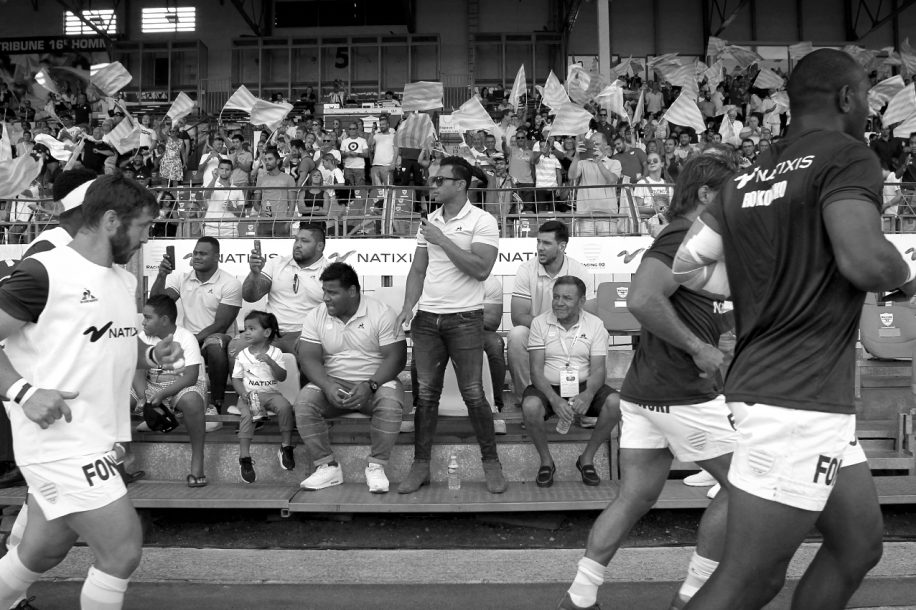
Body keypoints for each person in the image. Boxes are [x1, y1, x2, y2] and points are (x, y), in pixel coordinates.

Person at [672, 49, 908, 610]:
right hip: (796, 400)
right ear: (848, 98)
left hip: (792, 396)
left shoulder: (747, 174)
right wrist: (907, 277)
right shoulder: (849, 155)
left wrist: (762, 279)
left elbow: (687, 261)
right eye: (866, 100)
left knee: (858, 546)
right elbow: (866, 262)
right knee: (751, 580)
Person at [558, 155, 739, 610]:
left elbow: (692, 304)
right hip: (681, 391)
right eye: (729, 192)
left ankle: (580, 596)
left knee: (634, 497)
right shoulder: (684, 235)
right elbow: (641, 299)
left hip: (645, 392)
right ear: (705, 194)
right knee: (745, 489)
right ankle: (694, 596)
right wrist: (699, 348)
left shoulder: (694, 240)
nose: (737, 201)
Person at [0, 174, 182, 610]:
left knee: (41, 552)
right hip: (59, 442)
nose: (145, 238)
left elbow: (107, 344)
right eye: (142, 227)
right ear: (111, 220)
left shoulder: (122, 280)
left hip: (97, 440)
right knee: (121, 552)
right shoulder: (44, 270)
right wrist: (23, 392)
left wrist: (153, 357)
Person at [396, 156, 508, 495]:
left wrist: (442, 238)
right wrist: (407, 307)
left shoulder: (483, 221)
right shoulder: (429, 220)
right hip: (427, 319)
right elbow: (418, 270)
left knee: (474, 394)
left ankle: (492, 464)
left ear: (460, 184)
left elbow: (480, 269)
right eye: (433, 180)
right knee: (426, 396)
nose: (434, 185)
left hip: (466, 318)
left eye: (440, 180)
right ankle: (420, 465)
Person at [296, 262, 407, 494]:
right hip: (333, 383)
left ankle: (376, 467)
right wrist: (326, 385)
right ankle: (327, 467)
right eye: (324, 291)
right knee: (304, 403)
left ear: (353, 291)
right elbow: (308, 358)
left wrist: (371, 384)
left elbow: (396, 358)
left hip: (376, 382)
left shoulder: (382, 312)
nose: (326, 298)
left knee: (390, 403)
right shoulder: (316, 315)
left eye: (333, 292)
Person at [522, 276, 620, 489]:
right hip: (547, 385)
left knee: (615, 402)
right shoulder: (540, 322)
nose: (559, 302)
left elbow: (599, 370)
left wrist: (588, 394)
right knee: (530, 406)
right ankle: (547, 462)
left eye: (567, 298)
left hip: (584, 383)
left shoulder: (595, 325)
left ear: (582, 301)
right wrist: (555, 400)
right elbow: (536, 371)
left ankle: (586, 459)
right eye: (556, 297)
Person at [151, 236, 242, 419]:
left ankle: (216, 405)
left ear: (217, 257)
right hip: (191, 337)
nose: (197, 257)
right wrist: (162, 275)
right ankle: (164, 404)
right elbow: (156, 305)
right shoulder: (182, 279)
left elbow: (221, 325)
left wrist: (189, 341)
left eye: (203, 253)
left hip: (220, 338)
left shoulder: (230, 283)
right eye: (195, 253)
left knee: (215, 345)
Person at [508, 221, 593, 408]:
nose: (540, 248)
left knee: (596, 335)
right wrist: (548, 328)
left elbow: (591, 314)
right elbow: (518, 316)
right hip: (537, 332)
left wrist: (564, 330)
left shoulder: (579, 271)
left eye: (546, 243)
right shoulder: (526, 269)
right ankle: (527, 400)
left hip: (571, 332)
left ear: (562, 246)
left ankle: (583, 404)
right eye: (538, 242)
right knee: (516, 335)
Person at [132, 295, 210, 487]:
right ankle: (125, 463)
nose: (143, 321)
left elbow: (191, 376)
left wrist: (162, 395)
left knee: (192, 400)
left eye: (148, 317)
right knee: (119, 400)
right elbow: (137, 371)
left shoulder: (186, 337)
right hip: (151, 386)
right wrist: (143, 397)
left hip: (181, 386)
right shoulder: (142, 338)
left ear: (165, 320)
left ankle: (197, 464)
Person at [232, 311, 295, 484]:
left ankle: (286, 447)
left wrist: (270, 362)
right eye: (245, 329)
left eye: (252, 328)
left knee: (285, 407)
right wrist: (243, 394)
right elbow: (236, 379)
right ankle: (244, 457)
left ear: (266, 333)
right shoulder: (242, 355)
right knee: (247, 416)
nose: (247, 332)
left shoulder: (276, 353)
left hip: (272, 394)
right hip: (249, 395)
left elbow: (282, 376)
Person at [253, 148, 297, 237]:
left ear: (277, 161)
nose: (267, 162)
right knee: (264, 250)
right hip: (264, 222)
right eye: (265, 160)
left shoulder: (289, 178)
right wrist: (261, 212)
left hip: (281, 221)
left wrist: (288, 223)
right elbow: (255, 203)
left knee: (281, 250)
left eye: (270, 159)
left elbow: (292, 204)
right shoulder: (261, 178)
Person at [201, 158, 245, 238]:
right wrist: (214, 179)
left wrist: (232, 208)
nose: (224, 171)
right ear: (217, 170)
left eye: (227, 169)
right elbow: (206, 195)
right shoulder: (211, 184)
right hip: (211, 228)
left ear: (231, 172)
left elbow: (242, 214)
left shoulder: (237, 189)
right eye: (221, 169)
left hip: (230, 229)